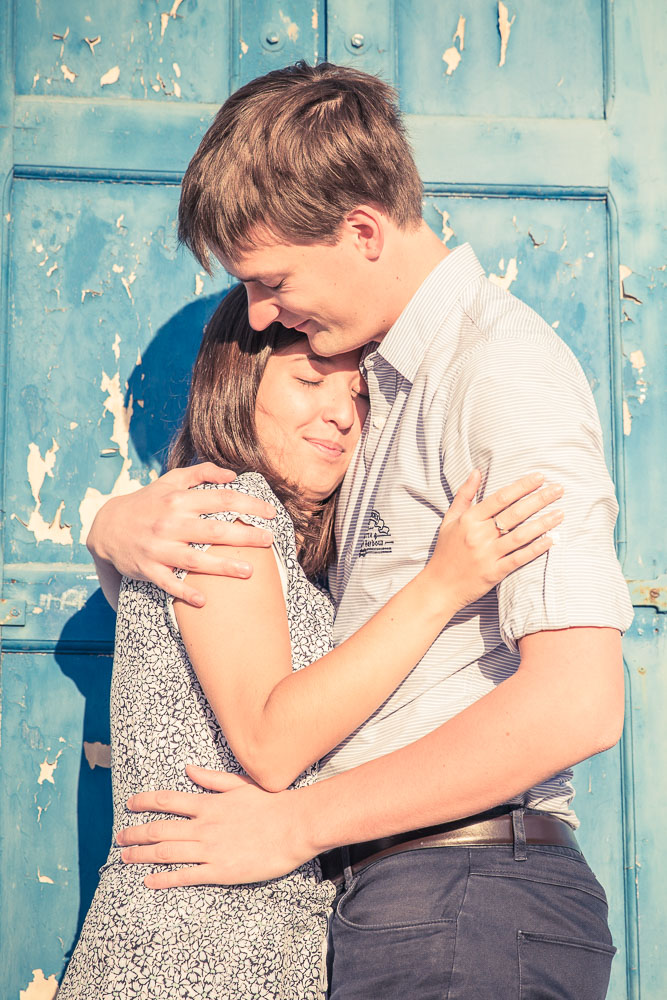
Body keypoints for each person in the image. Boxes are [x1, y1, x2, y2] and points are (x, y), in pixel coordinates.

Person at [89, 63, 634, 999]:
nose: (260, 314)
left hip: (469, 896)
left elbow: (577, 702)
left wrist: (300, 826)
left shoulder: (499, 374)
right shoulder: (377, 384)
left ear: (362, 231)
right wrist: (107, 529)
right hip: (387, 900)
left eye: (271, 281)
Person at [60, 284, 557, 999]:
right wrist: (444, 582)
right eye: (307, 380)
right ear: (236, 383)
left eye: (359, 397)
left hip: (238, 942)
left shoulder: (266, 549)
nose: (340, 414)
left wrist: (103, 533)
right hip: (200, 951)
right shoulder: (228, 513)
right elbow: (270, 741)